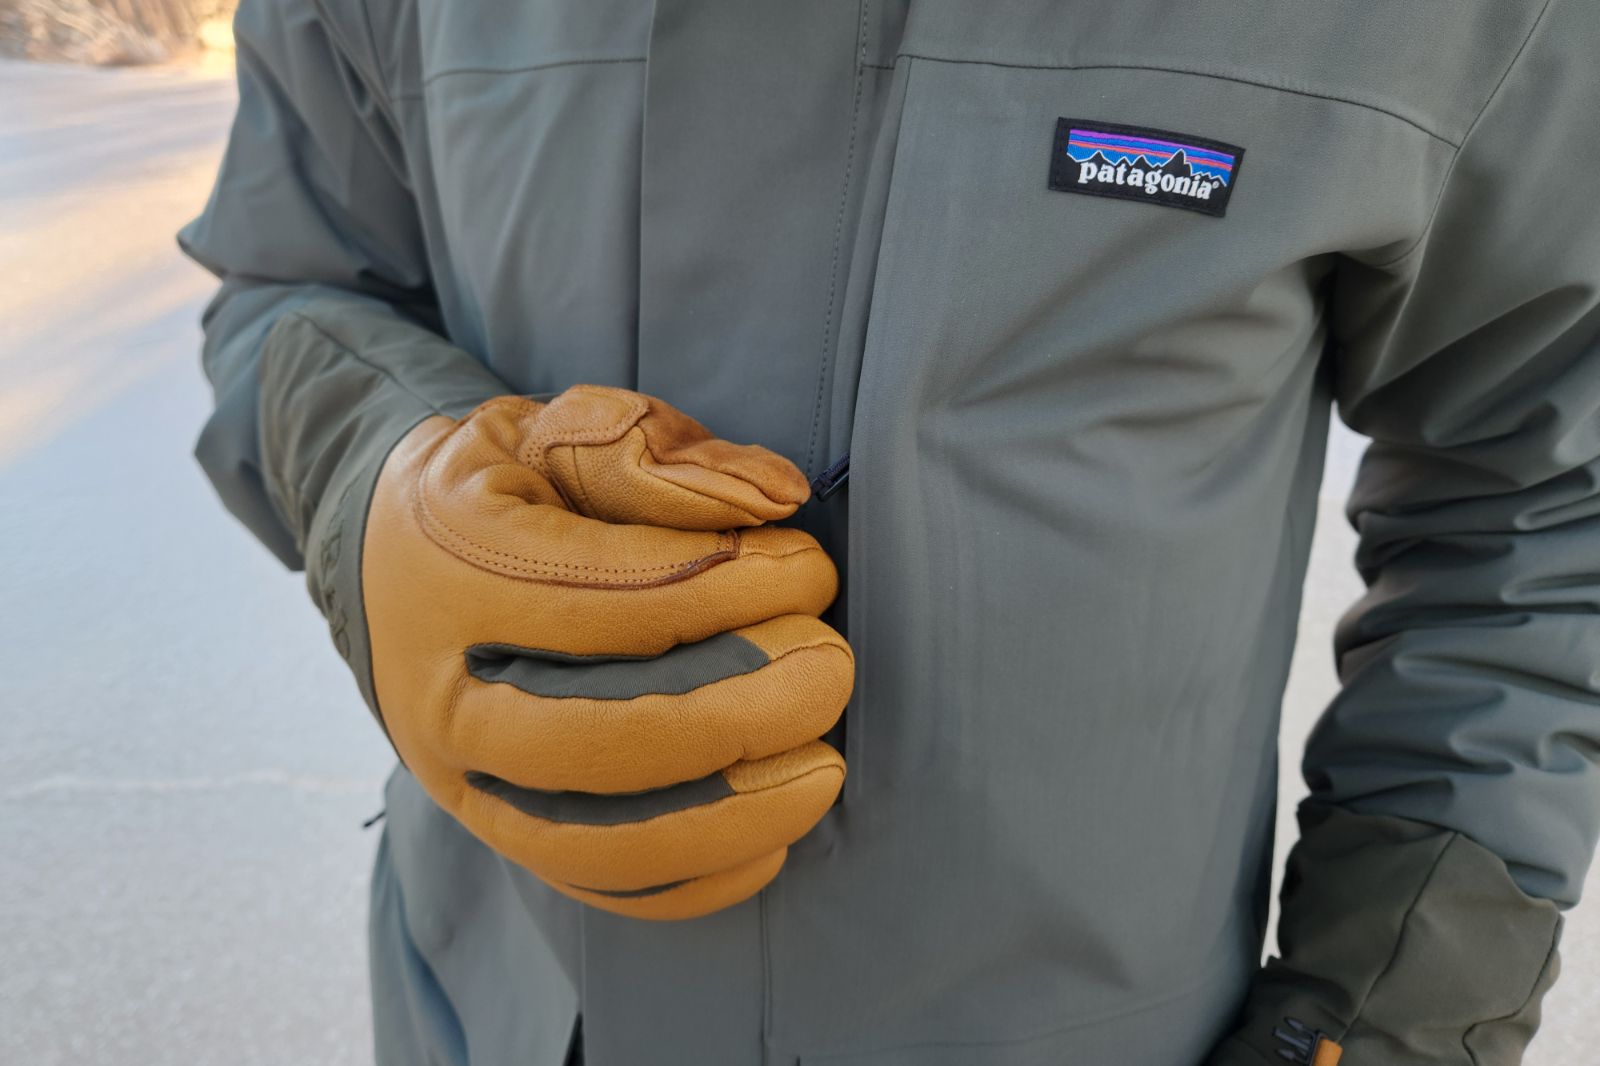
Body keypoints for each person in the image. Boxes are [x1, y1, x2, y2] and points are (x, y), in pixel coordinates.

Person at [179, 1, 1600, 1063]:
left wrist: (1400, 1001)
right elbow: (295, 275)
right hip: (486, 1003)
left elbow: (1546, 469)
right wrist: (377, 485)